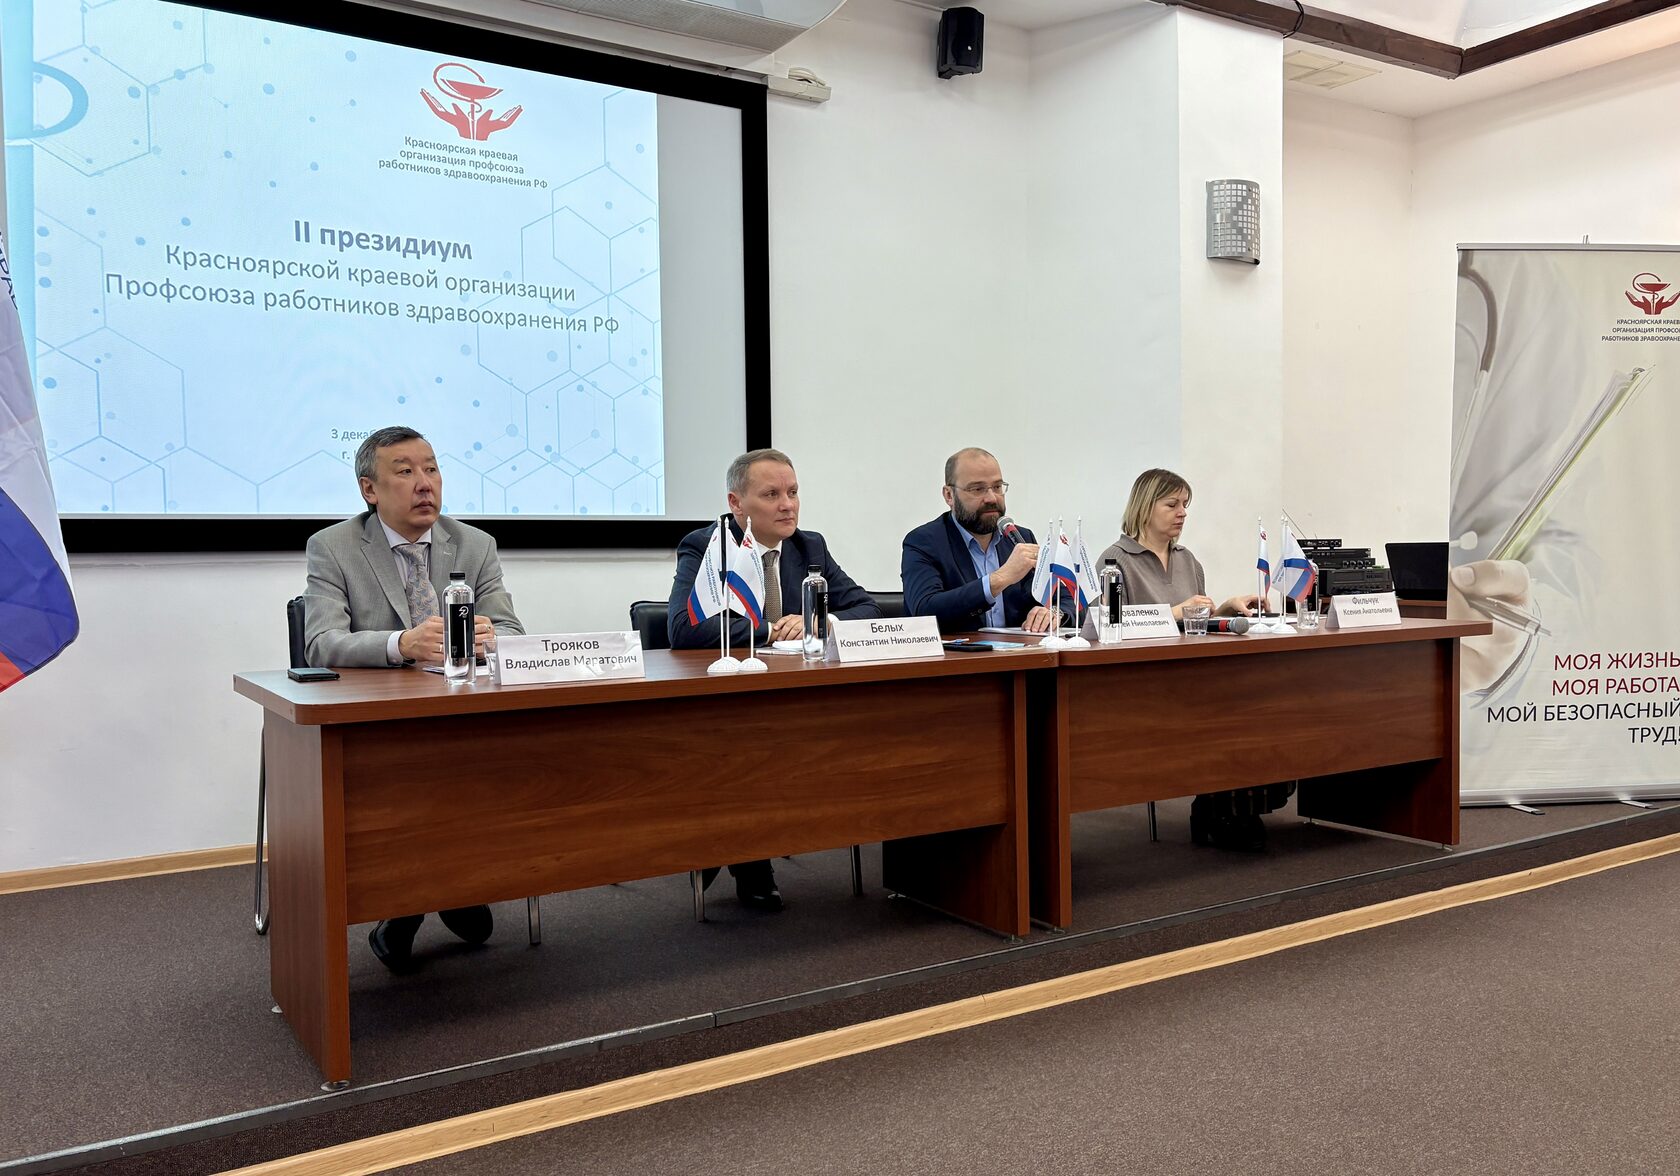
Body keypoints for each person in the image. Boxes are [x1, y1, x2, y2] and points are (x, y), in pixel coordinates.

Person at [303, 426, 525, 972]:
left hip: (464, 715)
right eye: (405, 472)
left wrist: (489, 636)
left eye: (432, 468)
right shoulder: (333, 547)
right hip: (378, 724)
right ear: (369, 490)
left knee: (501, 767)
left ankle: (428, 897)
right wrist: (400, 644)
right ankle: (440, 895)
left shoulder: (474, 544)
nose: (425, 483)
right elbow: (321, 641)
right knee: (414, 776)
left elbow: (512, 631)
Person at [666, 447, 879, 911]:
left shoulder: (809, 546)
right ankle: (747, 857)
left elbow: (866, 607)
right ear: (736, 503)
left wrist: (819, 621)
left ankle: (741, 845)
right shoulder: (707, 546)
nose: (788, 505)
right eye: (771, 495)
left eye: (793, 492)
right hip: (729, 700)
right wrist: (768, 628)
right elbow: (682, 628)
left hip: (799, 695)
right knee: (750, 749)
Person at [1099, 469, 1283, 852]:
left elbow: (1194, 624)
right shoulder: (1115, 561)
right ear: (1145, 507)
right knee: (1226, 712)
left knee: (1262, 702)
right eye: (1172, 504)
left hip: (1194, 673)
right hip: (1143, 682)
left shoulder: (1188, 560)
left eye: (1185, 505)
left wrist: (1225, 608)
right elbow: (1109, 628)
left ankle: (1231, 806)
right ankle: (1219, 810)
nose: (1182, 512)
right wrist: (1175, 612)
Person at [900, 447, 1060, 634]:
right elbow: (924, 611)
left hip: (1020, 650)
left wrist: (1053, 613)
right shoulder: (923, 542)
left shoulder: (1018, 538)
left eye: (997, 487)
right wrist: (999, 579)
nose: (991, 498)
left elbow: (1065, 597)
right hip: (958, 652)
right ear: (949, 495)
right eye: (977, 489)